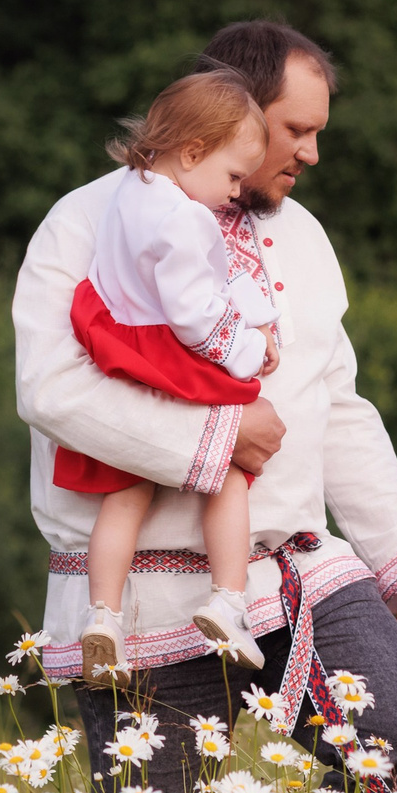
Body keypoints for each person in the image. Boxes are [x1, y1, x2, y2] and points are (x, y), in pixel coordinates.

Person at [13, 20, 397, 793]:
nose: (312, 153)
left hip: (294, 568)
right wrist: (219, 440)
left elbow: (340, 408)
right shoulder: (86, 221)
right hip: (146, 595)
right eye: (297, 130)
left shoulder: (304, 237)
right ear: (234, 117)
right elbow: (51, 390)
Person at [63, 70, 283, 680]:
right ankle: (229, 601)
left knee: (126, 494)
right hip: (173, 358)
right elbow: (194, 316)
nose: (237, 192)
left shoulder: (128, 193)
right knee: (230, 474)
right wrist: (246, 347)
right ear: (192, 152)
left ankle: (102, 616)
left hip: (122, 350)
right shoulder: (187, 219)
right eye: (234, 176)